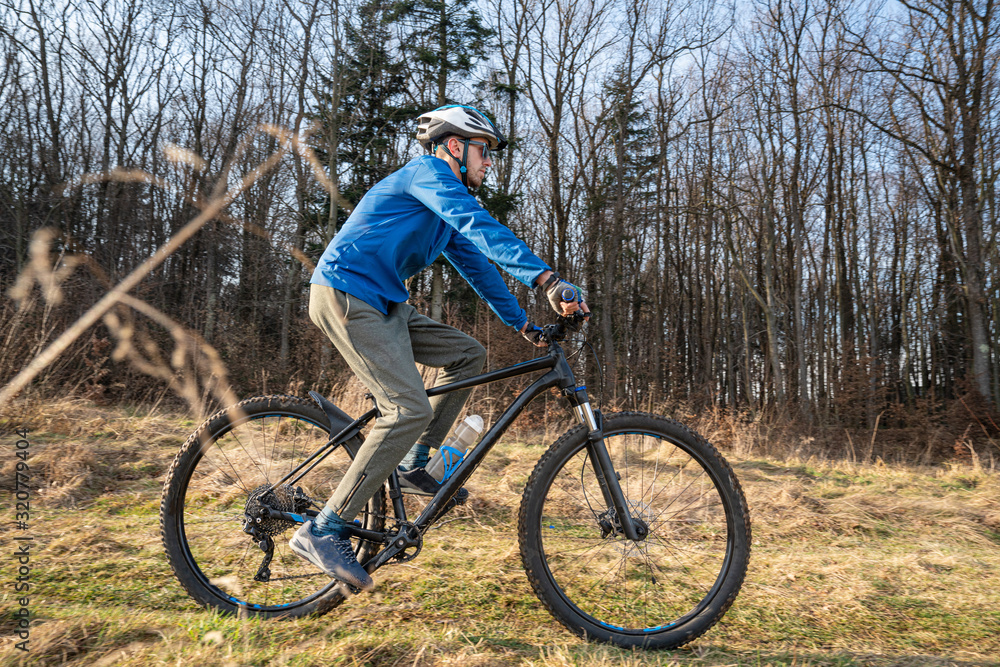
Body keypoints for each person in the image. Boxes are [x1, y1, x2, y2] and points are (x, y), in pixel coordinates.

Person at [289, 104, 589, 591]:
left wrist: (524, 325)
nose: (488, 162)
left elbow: (479, 266)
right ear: (454, 146)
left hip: (384, 303)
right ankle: (323, 529)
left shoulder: (442, 209)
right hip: (347, 293)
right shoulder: (427, 175)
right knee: (405, 408)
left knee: (467, 354)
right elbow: (479, 225)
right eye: (483, 150)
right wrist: (546, 279)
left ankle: (413, 466)